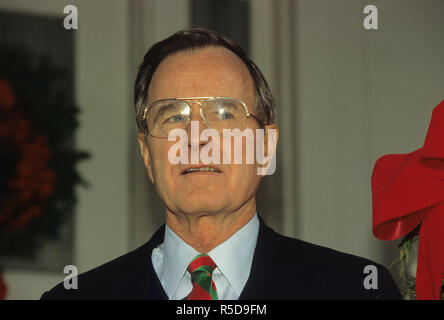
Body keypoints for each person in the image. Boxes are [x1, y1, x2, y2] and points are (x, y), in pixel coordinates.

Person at [41, 27, 401, 300]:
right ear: (148, 156)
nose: (197, 136)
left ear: (265, 148)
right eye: (173, 116)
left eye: (225, 113)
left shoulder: (357, 290)